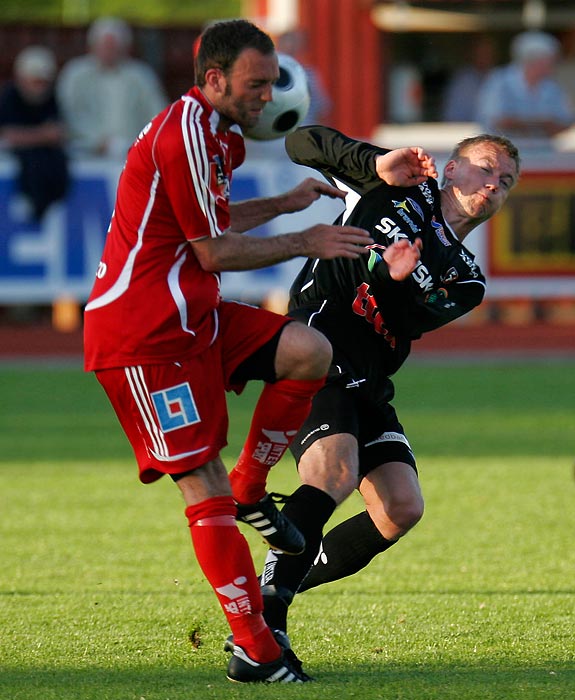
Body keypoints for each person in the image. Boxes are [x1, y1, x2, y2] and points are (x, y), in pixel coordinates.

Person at [83, 19, 374, 684]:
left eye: (272, 84)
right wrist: (307, 239)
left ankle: (252, 489)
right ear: (212, 79)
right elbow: (213, 251)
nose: (267, 97)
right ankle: (256, 651)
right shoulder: (183, 131)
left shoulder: (214, 135)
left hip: (192, 315)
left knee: (308, 351)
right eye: (256, 84)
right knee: (200, 483)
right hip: (143, 336)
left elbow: (208, 223)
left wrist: (287, 203)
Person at [251, 125, 520, 676]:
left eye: (507, 181)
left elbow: (405, 320)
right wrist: (374, 161)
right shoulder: (396, 185)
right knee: (334, 473)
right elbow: (300, 142)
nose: (494, 185)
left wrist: (394, 280)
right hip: (317, 346)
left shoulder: (466, 278)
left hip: (368, 378)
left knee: (402, 508)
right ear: (451, 168)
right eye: (486, 168)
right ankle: (262, 632)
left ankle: (270, 591)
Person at [57, 16, 167, 159]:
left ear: (125, 48)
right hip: (84, 154)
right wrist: (96, 141)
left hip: (134, 153)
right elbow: (67, 113)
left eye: (114, 46)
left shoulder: (141, 76)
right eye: (104, 45)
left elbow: (159, 115)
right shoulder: (75, 74)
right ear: (92, 46)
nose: (108, 51)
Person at [0, 45, 69, 221]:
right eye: (35, 81)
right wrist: (41, 136)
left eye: (43, 82)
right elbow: (8, 135)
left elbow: (58, 132)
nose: (40, 87)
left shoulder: (52, 98)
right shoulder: (9, 98)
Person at [477, 30, 573, 144]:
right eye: (550, 60)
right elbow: (496, 120)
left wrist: (524, 122)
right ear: (534, 60)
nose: (554, 65)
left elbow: (566, 122)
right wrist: (542, 123)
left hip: (543, 153)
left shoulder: (552, 87)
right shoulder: (499, 81)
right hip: (504, 153)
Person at [442, 35, 496, 122]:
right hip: (466, 131)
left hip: (494, 132)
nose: (485, 56)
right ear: (472, 54)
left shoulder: (499, 77)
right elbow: (452, 116)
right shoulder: (462, 81)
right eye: (481, 52)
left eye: (488, 52)